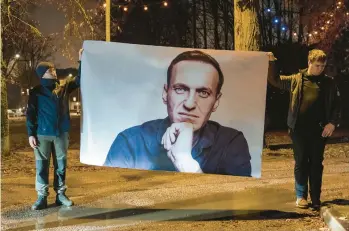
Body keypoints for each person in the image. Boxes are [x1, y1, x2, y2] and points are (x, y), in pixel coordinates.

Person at [104, 50, 252, 177]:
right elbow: (110, 200)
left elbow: (237, 205)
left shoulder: (231, 143)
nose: (189, 104)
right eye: (180, 89)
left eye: (203, 93)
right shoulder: (130, 143)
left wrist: (185, 162)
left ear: (216, 102)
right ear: (165, 93)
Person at [267, 49, 341, 210]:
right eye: (317, 65)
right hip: (298, 129)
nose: (320, 69)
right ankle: (301, 196)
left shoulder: (329, 83)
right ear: (309, 63)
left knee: (316, 163)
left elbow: (336, 106)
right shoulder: (296, 79)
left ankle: (315, 198)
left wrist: (333, 123)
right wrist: (272, 62)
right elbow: (274, 80)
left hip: (320, 131)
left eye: (323, 66)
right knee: (301, 162)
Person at [26, 49, 83, 210]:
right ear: (43, 74)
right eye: (50, 70)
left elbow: (80, 80)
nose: (54, 71)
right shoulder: (36, 92)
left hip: (61, 134)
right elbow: (30, 114)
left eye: (53, 68)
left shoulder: (63, 87)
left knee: (61, 166)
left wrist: (81, 61)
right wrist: (31, 134)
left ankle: (60, 195)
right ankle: (42, 197)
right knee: (42, 166)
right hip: (42, 135)